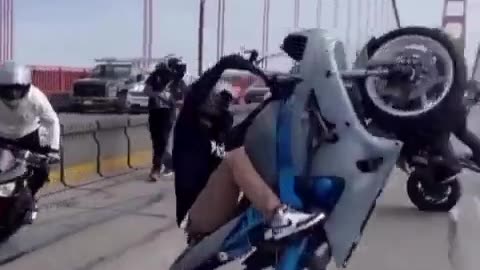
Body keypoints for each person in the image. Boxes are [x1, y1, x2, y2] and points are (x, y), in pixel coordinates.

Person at [173, 54, 325, 243]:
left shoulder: (223, 129)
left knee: (253, 159)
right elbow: (226, 63)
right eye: (219, 94)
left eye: (227, 98)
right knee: (233, 160)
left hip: (220, 206)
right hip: (195, 214)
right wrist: (262, 75)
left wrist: (276, 93)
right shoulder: (189, 122)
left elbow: (253, 123)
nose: (222, 100)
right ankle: (278, 216)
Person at [0, 62, 60, 223]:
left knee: (42, 169)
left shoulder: (36, 97)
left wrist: (53, 149)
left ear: (26, 87)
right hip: (2, 136)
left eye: (17, 89)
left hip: (29, 136)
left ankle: (31, 197)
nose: (13, 94)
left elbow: (52, 120)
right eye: (8, 89)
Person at [144, 57, 187, 181]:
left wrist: (174, 101)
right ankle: (164, 165)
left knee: (163, 140)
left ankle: (156, 168)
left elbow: (182, 97)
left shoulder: (178, 81)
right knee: (156, 140)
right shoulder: (156, 75)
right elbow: (146, 90)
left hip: (167, 114)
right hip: (154, 112)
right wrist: (159, 95)